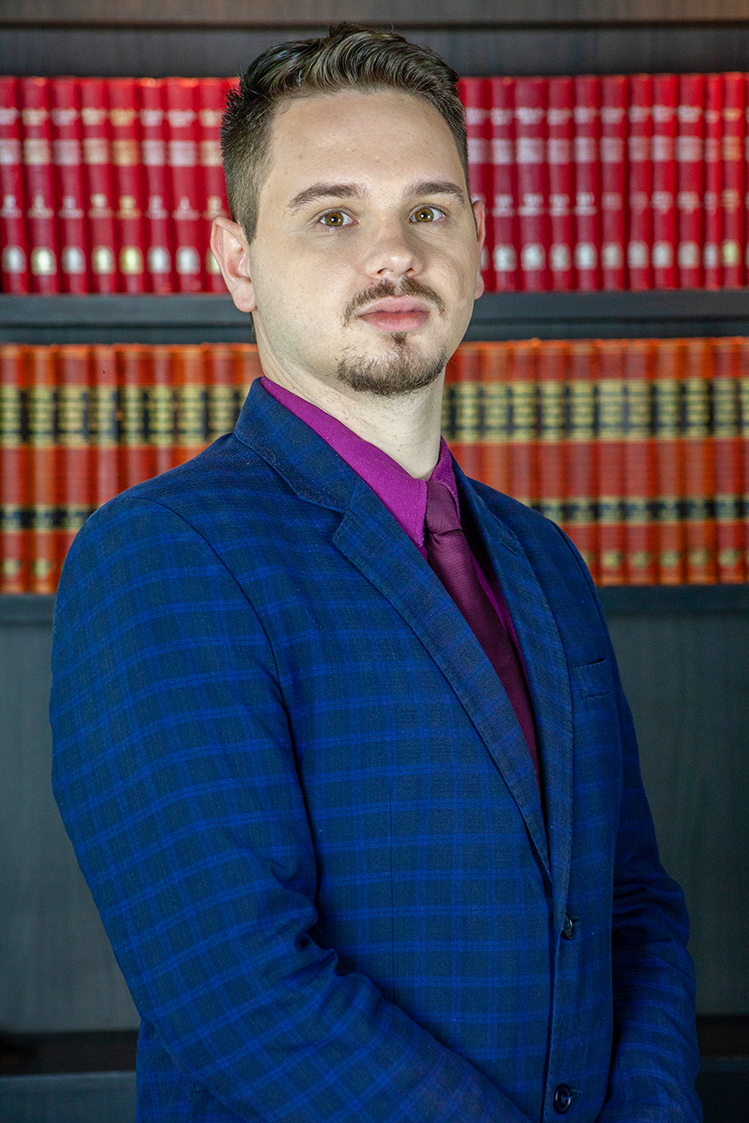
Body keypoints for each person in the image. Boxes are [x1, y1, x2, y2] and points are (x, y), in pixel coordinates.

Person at [50, 24, 701, 1123]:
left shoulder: (542, 558)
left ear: (478, 243)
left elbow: (630, 904)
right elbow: (240, 993)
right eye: (333, 215)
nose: (393, 254)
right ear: (237, 261)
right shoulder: (160, 555)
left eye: (428, 211)